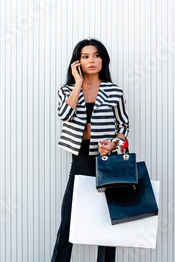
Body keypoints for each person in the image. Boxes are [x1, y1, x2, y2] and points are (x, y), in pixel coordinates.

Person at [51, 38, 129, 262]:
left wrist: (114, 143)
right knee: (68, 223)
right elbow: (65, 115)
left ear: (103, 59)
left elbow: (123, 125)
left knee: (107, 223)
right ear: (78, 62)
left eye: (96, 55)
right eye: (85, 57)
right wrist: (77, 84)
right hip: (80, 160)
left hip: (107, 161)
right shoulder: (66, 90)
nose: (91, 60)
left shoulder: (115, 92)